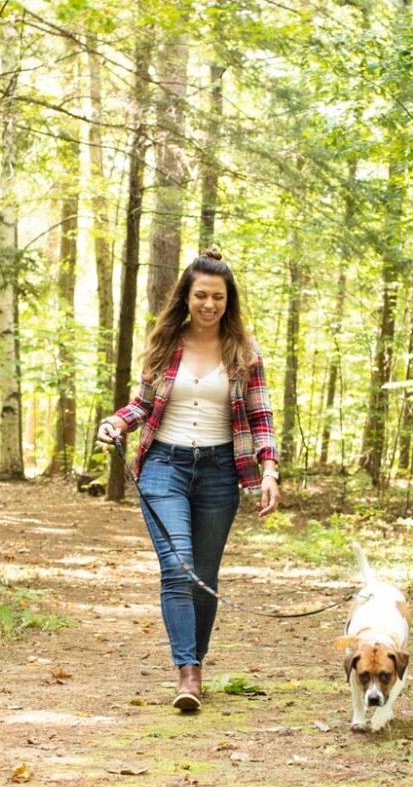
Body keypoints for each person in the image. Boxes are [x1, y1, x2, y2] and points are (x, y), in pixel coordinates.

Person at [97, 247, 280, 711]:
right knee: (178, 569)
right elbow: (141, 405)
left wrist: (270, 469)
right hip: (164, 466)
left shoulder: (245, 349)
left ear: (228, 300)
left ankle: (194, 659)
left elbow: (261, 415)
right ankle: (188, 673)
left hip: (221, 472)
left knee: (205, 577)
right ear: (187, 295)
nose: (209, 305)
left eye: (218, 297)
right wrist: (117, 422)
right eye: (201, 295)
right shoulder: (165, 343)